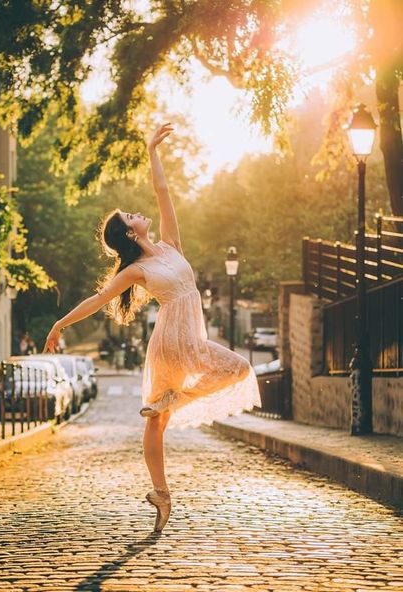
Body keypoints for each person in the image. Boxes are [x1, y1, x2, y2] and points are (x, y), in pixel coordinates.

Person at [42, 122, 262, 533]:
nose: (138, 212)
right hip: (171, 341)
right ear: (129, 231)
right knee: (185, 400)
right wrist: (60, 321)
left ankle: (160, 489)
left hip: (190, 336)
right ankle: (165, 449)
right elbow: (98, 299)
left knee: (194, 396)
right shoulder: (137, 270)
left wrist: (152, 152)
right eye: (130, 215)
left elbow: (163, 193)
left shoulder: (170, 244)